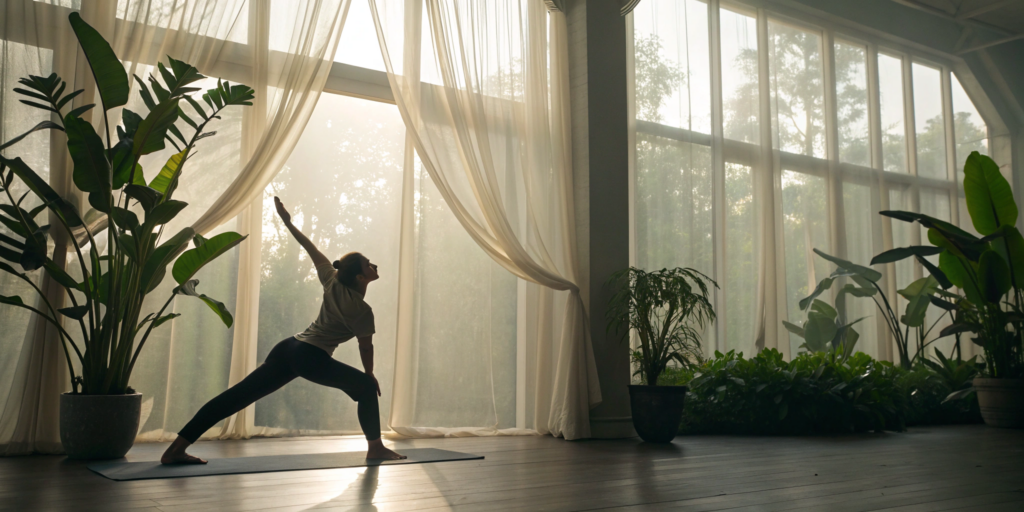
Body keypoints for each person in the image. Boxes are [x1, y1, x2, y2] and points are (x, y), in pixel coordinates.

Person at [161, 196, 406, 463]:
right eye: (369, 265)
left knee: (238, 396)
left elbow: (310, 247)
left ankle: (175, 450)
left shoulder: (331, 279)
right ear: (360, 277)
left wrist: (288, 223)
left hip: (289, 348)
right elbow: (365, 347)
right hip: (310, 356)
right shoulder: (361, 310)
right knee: (366, 388)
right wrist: (369, 375)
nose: (374, 266)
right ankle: (376, 449)